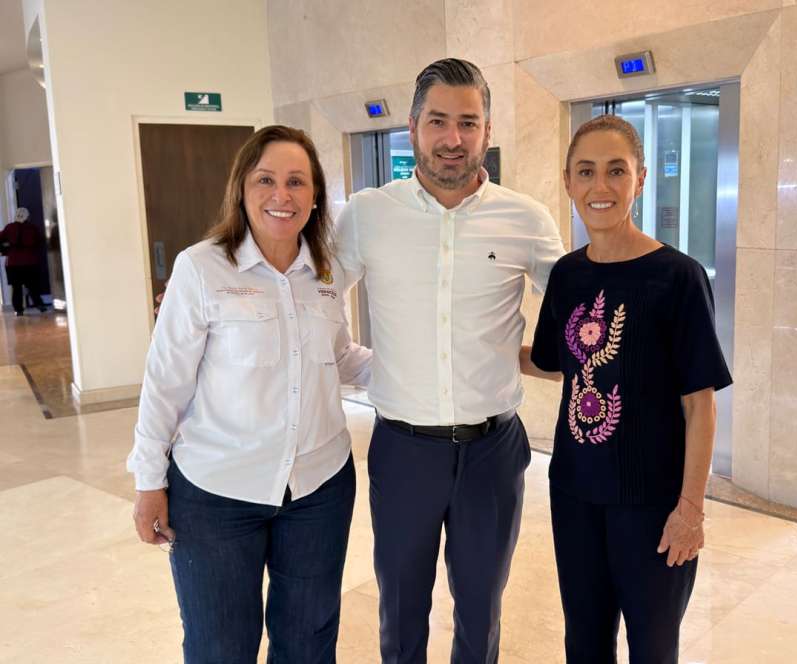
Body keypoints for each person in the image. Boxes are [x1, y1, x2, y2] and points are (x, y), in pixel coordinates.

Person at [335, 58, 565, 663]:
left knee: (481, 611)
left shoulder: (525, 219)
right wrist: (362, 365)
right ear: (413, 127)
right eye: (438, 121)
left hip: (493, 452)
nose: (453, 138)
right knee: (401, 610)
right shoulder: (367, 215)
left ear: (488, 131)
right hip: (403, 450)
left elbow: (580, 312)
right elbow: (311, 299)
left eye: (468, 122)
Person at [127, 125, 372, 664]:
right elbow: (165, 382)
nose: (281, 195)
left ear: (315, 195)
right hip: (216, 493)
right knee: (220, 647)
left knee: (308, 644)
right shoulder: (201, 268)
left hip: (318, 489)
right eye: (266, 180)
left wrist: (411, 373)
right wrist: (149, 481)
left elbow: (338, 357)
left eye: (296, 182)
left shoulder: (326, 272)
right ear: (241, 188)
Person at [525, 115, 732, 663]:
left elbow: (700, 405)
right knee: (584, 644)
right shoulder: (567, 275)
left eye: (616, 170)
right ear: (568, 182)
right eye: (586, 171)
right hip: (575, 495)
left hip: (654, 505)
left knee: (652, 649)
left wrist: (691, 509)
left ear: (639, 178)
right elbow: (557, 362)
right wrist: (471, 351)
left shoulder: (679, 278)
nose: (601, 186)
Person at [0, 207, 46, 316]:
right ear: (27, 216)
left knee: (16, 288)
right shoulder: (33, 228)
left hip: (13, 263)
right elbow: (40, 242)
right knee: (33, 286)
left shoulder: (9, 227)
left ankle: (19, 310)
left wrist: (6, 247)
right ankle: (40, 305)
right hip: (30, 262)